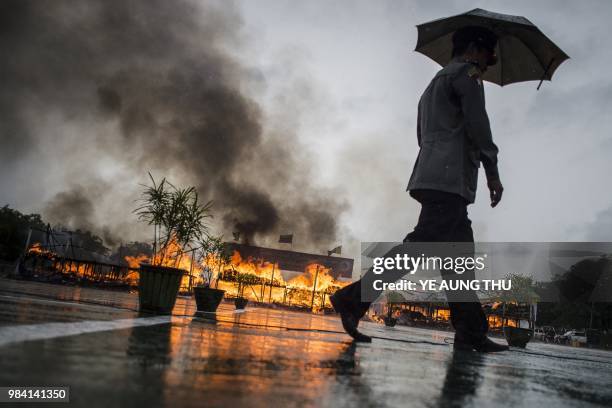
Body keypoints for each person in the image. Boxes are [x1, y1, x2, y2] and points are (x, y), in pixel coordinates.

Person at [330, 26, 508, 352]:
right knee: (421, 246)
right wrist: (492, 172)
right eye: (487, 52)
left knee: (459, 262)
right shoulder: (466, 77)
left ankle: (470, 331)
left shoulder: (433, 85)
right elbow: (479, 127)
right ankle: (353, 298)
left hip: (434, 176)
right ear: (473, 48)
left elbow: (422, 134)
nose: (488, 61)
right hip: (449, 182)